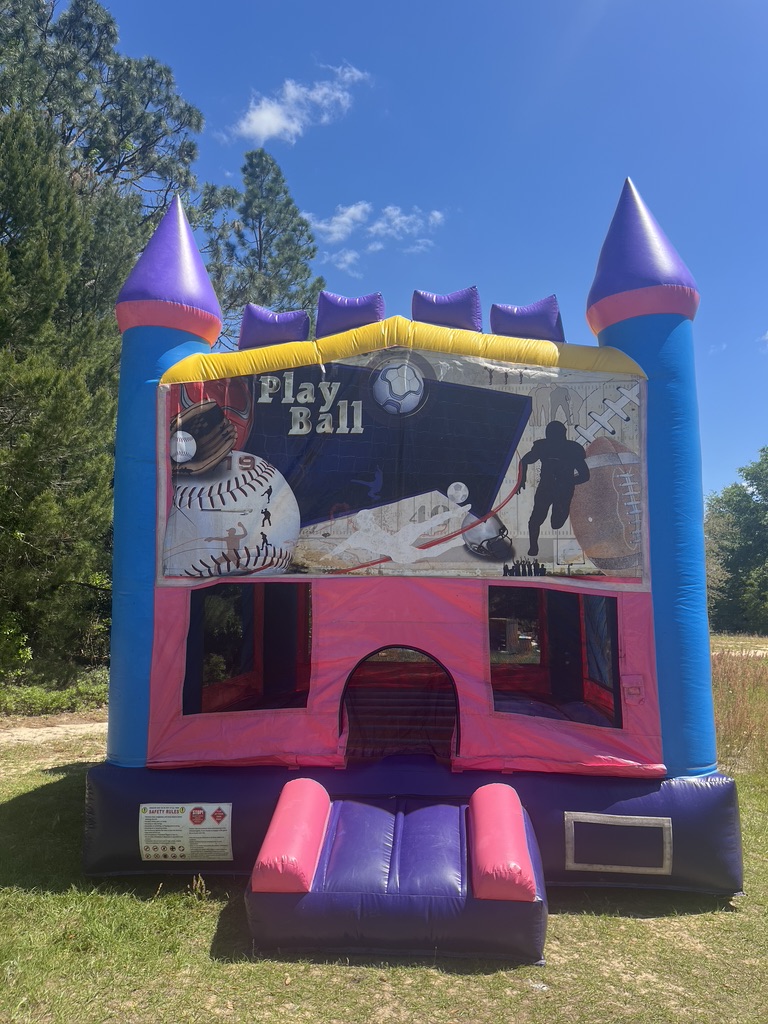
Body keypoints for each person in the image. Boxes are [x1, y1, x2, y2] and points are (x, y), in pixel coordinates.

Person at [519, 420, 590, 556]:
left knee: (556, 523)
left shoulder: (573, 449)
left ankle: (556, 518)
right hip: (546, 488)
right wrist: (522, 479)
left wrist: (568, 481)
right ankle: (533, 547)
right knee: (535, 520)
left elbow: (585, 475)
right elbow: (525, 460)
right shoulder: (543, 447)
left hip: (563, 491)